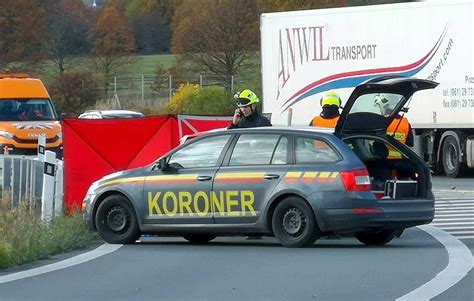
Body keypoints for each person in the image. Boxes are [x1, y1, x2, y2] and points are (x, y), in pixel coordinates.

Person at [374, 94, 413, 159]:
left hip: (382, 162)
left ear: (384, 106)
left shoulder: (381, 123)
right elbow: (410, 144)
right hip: (400, 161)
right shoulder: (405, 123)